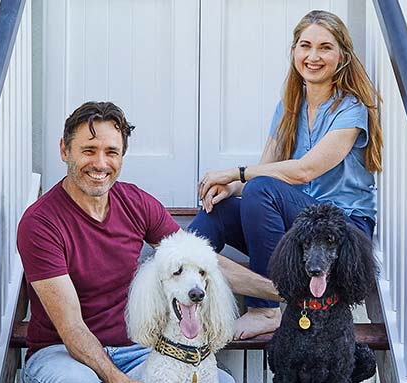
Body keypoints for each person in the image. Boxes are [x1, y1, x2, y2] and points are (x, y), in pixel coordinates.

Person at [17, 101, 279, 383]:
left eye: (111, 152)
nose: (101, 163)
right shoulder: (41, 223)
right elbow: (72, 329)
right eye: (89, 151)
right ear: (64, 150)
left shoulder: (135, 203)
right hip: (63, 355)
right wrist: (119, 380)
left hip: (135, 351)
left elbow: (203, 263)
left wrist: (284, 292)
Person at [188, 9, 384, 340]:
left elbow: (304, 170)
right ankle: (175, 296)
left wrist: (236, 173)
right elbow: (266, 167)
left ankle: (265, 309)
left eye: (325, 47)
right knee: (219, 210)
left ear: (342, 56)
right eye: (305, 45)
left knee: (261, 189)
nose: (313, 56)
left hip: (342, 228)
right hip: (300, 222)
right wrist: (232, 185)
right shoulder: (290, 104)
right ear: (294, 51)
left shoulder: (351, 109)